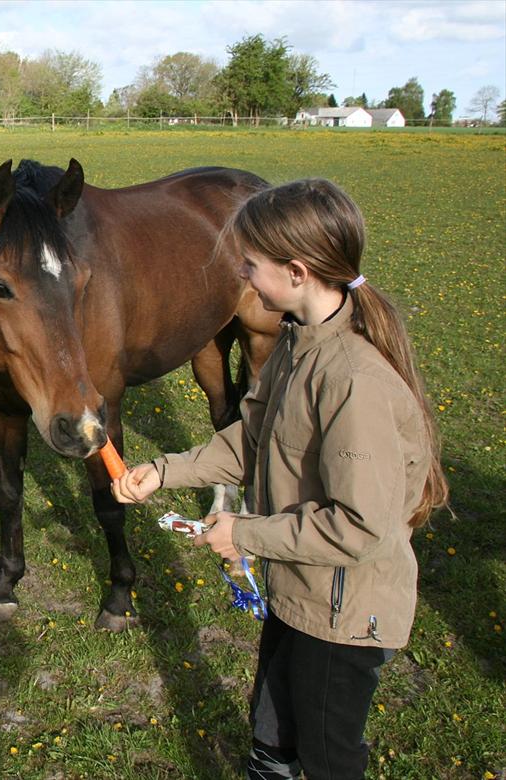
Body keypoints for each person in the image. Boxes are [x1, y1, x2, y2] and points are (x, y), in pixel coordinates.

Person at [112, 179, 448, 779]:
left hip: (343, 615)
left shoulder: (352, 378)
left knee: (325, 758)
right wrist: (161, 473)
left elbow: (358, 527)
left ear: (296, 271)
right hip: (299, 594)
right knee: (271, 738)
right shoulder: (298, 342)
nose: (240, 274)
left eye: (249, 264)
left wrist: (243, 535)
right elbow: (253, 439)